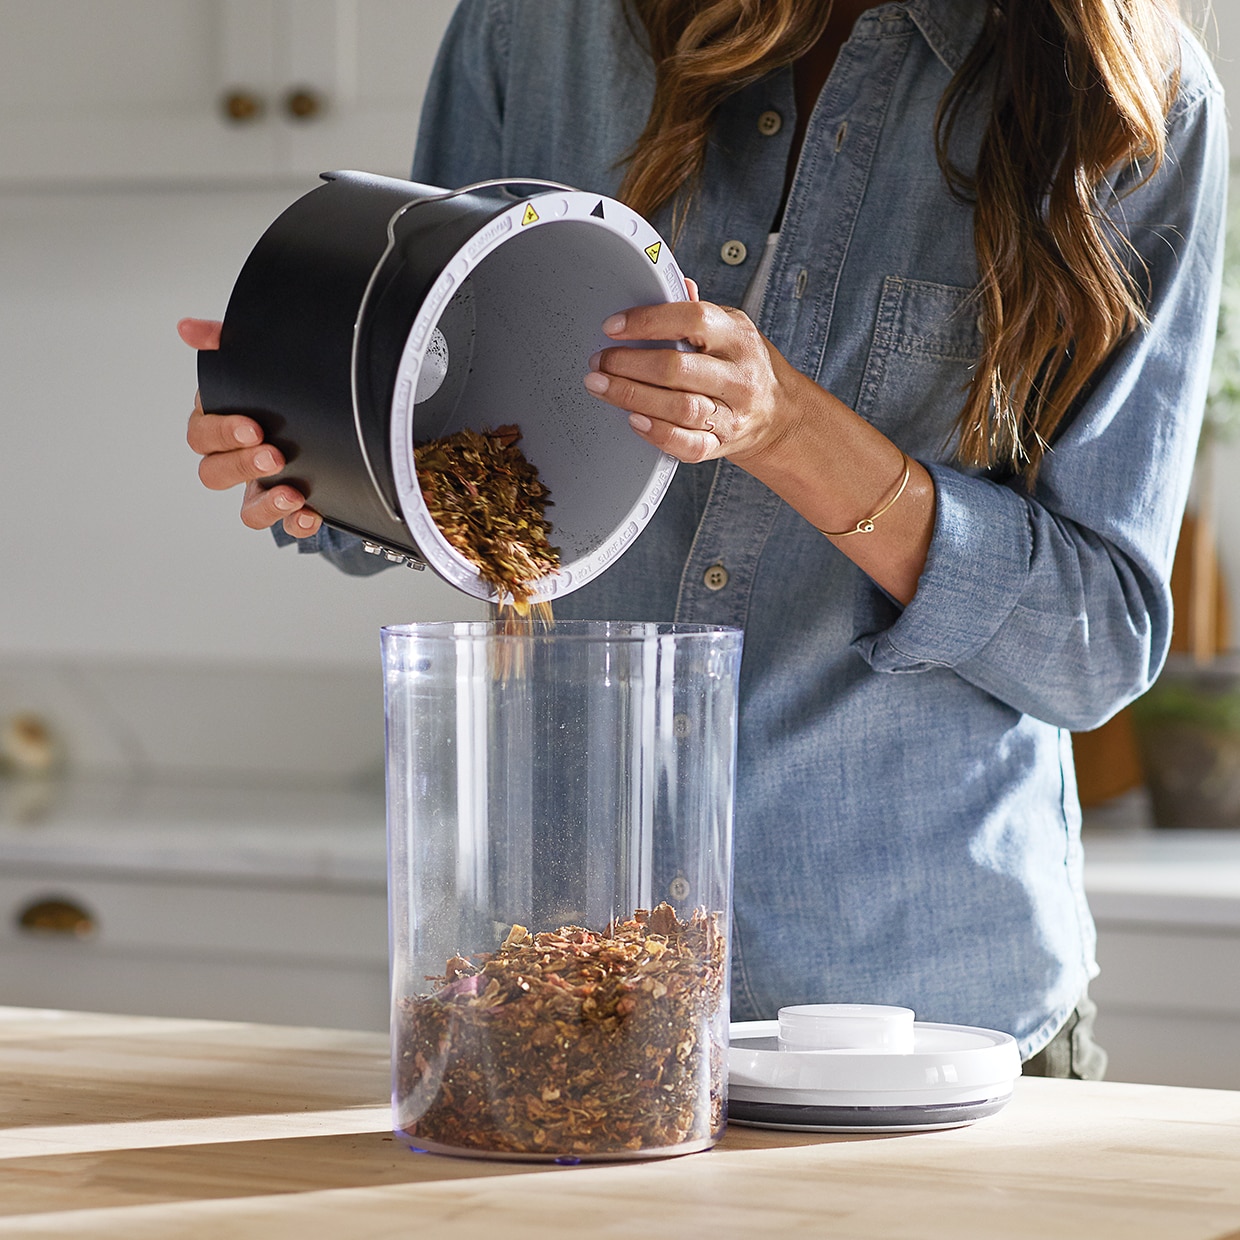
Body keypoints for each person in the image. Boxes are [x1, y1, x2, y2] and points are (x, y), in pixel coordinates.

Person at [181, 0, 1227, 1077]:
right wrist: (315, 441)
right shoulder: (535, 28)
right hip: (566, 997)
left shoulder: (1129, 100)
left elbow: (1093, 645)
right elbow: (421, 408)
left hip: (919, 1027)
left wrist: (791, 431)